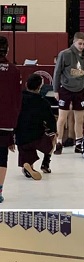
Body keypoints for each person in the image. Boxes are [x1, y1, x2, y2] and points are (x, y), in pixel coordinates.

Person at [53, 32, 84, 154]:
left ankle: (78, 142)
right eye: (80, 44)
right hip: (65, 89)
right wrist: (56, 90)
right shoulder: (65, 54)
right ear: (74, 42)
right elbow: (57, 72)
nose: (82, 46)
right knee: (62, 118)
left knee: (79, 119)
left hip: (79, 90)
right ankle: (59, 142)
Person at [15, 73, 56, 179]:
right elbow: (51, 123)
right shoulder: (43, 103)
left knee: (27, 154)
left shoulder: (18, 99)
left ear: (26, 84)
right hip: (37, 137)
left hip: (21, 138)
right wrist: (52, 130)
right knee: (53, 136)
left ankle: (27, 165)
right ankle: (46, 163)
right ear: (39, 87)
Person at [0, 35, 21, 203]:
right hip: (6, 121)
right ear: (7, 50)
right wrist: (14, 125)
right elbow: (17, 99)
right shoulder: (14, 70)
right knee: (2, 156)